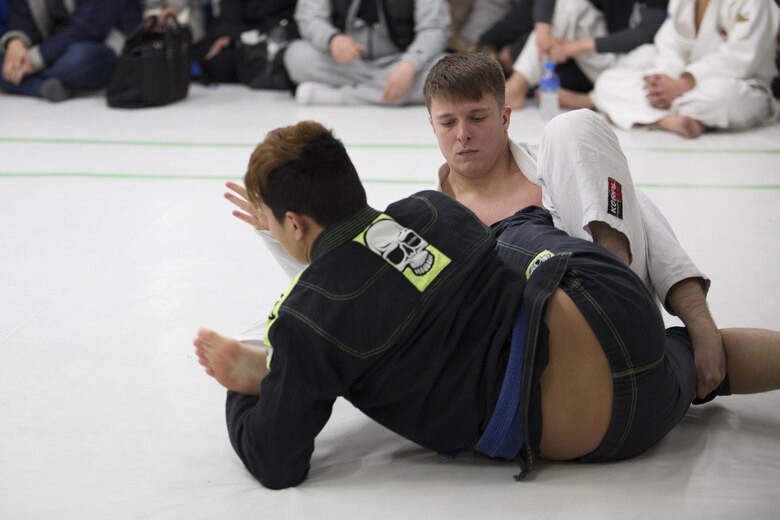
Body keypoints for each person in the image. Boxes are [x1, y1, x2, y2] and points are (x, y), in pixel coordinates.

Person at [194, 119, 780, 490]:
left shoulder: (307, 325)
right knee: (512, 231)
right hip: (615, 304)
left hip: (612, 427)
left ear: (292, 224)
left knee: (507, 242)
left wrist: (245, 390)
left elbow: (277, 462)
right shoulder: (429, 208)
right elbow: (365, 277)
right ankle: (645, 283)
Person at [227, 51, 725, 402]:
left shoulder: (564, 170)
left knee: (575, 125)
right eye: (448, 123)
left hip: (615, 304)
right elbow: (354, 290)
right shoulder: (428, 220)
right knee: (337, 296)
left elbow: (650, 231)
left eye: (477, 117)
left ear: (506, 117)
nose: (462, 135)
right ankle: (278, 364)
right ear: (431, 127)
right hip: (539, 356)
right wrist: (281, 234)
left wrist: (701, 329)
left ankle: (610, 290)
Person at [589, 0, 780, 138]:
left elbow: (741, 57)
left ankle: (645, 114)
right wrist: (663, 81)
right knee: (609, 81)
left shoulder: (757, 3)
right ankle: (667, 120)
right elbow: (670, 45)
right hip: (680, 85)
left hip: (738, 84)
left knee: (724, 96)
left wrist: (685, 82)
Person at [504, 0, 669, 110]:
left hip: (630, 68)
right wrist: (542, 30)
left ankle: (587, 101)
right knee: (571, 4)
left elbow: (645, 34)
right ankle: (518, 84)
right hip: (601, 58)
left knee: (648, 54)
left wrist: (575, 48)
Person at [282, 0, 450, 105]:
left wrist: (410, 64)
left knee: (446, 77)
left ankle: (338, 96)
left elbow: (434, 28)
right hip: (345, 63)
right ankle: (389, 93)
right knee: (296, 56)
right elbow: (309, 18)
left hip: (400, 61)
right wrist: (332, 39)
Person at [0, 0, 142, 102]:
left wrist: (35, 59)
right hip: (51, 48)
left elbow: (88, 27)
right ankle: (45, 88)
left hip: (103, 45)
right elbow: (22, 14)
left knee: (78, 59)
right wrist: (17, 42)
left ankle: (29, 82)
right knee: (7, 60)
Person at [191, 0, 298, 85]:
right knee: (214, 57)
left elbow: (291, 19)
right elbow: (229, 19)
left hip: (279, 35)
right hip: (242, 34)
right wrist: (232, 36)